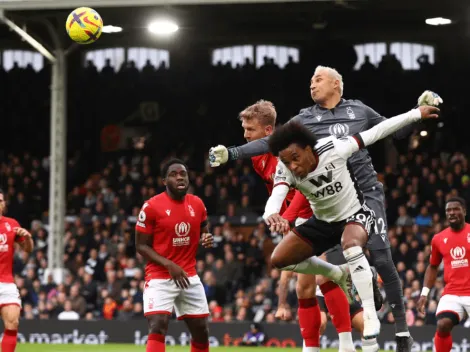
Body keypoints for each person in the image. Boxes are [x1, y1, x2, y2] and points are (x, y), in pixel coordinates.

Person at [208, 65, 443, 351]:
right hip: (323, 211)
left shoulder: (346, 130)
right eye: (310, 79)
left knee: (367, 254)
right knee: (303, 266)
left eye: (318, 79)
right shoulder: (295, 139)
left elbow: (384, 131)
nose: (312, 84)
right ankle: (338, 320)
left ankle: (386, 329)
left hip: (358, 202)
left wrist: (417, 112)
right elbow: (276, 169)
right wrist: (237, 161)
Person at [261, 105, 439, 345]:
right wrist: (271, 213)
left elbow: (377, 131)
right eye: (286, 161)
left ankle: (369, 313)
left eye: (295, 158)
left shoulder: (334, 147)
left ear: (308, 148)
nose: (292, 166)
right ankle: (338, 273)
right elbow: (277, 196)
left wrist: (415, 114)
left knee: (351, 246)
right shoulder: (286, 168)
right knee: (279, 259)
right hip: (323, 222)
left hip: (355, 214)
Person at [238, 100, 379, 352]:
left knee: (321, 282)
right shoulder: (257, 159)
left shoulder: (281, 153)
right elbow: (280, 190)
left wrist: (289, 217)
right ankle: (317, 346)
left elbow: (307, 186)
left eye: (250, 129)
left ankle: (348, 344)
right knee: (307, 287)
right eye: (245, 129)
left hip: (318, 215)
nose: (245, 135)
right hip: (298, 217)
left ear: (268, 132)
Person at [135, 159, 214, 352]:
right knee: (158, 325)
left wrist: (206, 237)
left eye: (183, 173)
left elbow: (204, 227)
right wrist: (169, 265)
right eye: (173, 174)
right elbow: (140, 246)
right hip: (159, 276)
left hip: (188, 275)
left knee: (201, 331)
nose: (180, 177)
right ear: (164, 181)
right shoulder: (151, 207)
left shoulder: (197, 204)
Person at [417, 197, 470, 352]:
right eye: (448, 210)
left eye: (456, 209)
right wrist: (424, 293)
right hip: (452, 292)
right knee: (442, 324)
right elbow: (432, 267)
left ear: (464, 212)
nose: (452, 213)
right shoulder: (438, 239)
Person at [0, 189, 34, 352]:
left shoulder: (11, 224)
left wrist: (27, 238)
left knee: (13, 323)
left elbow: (28, 249)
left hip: (6, 282)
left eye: (0, 200)